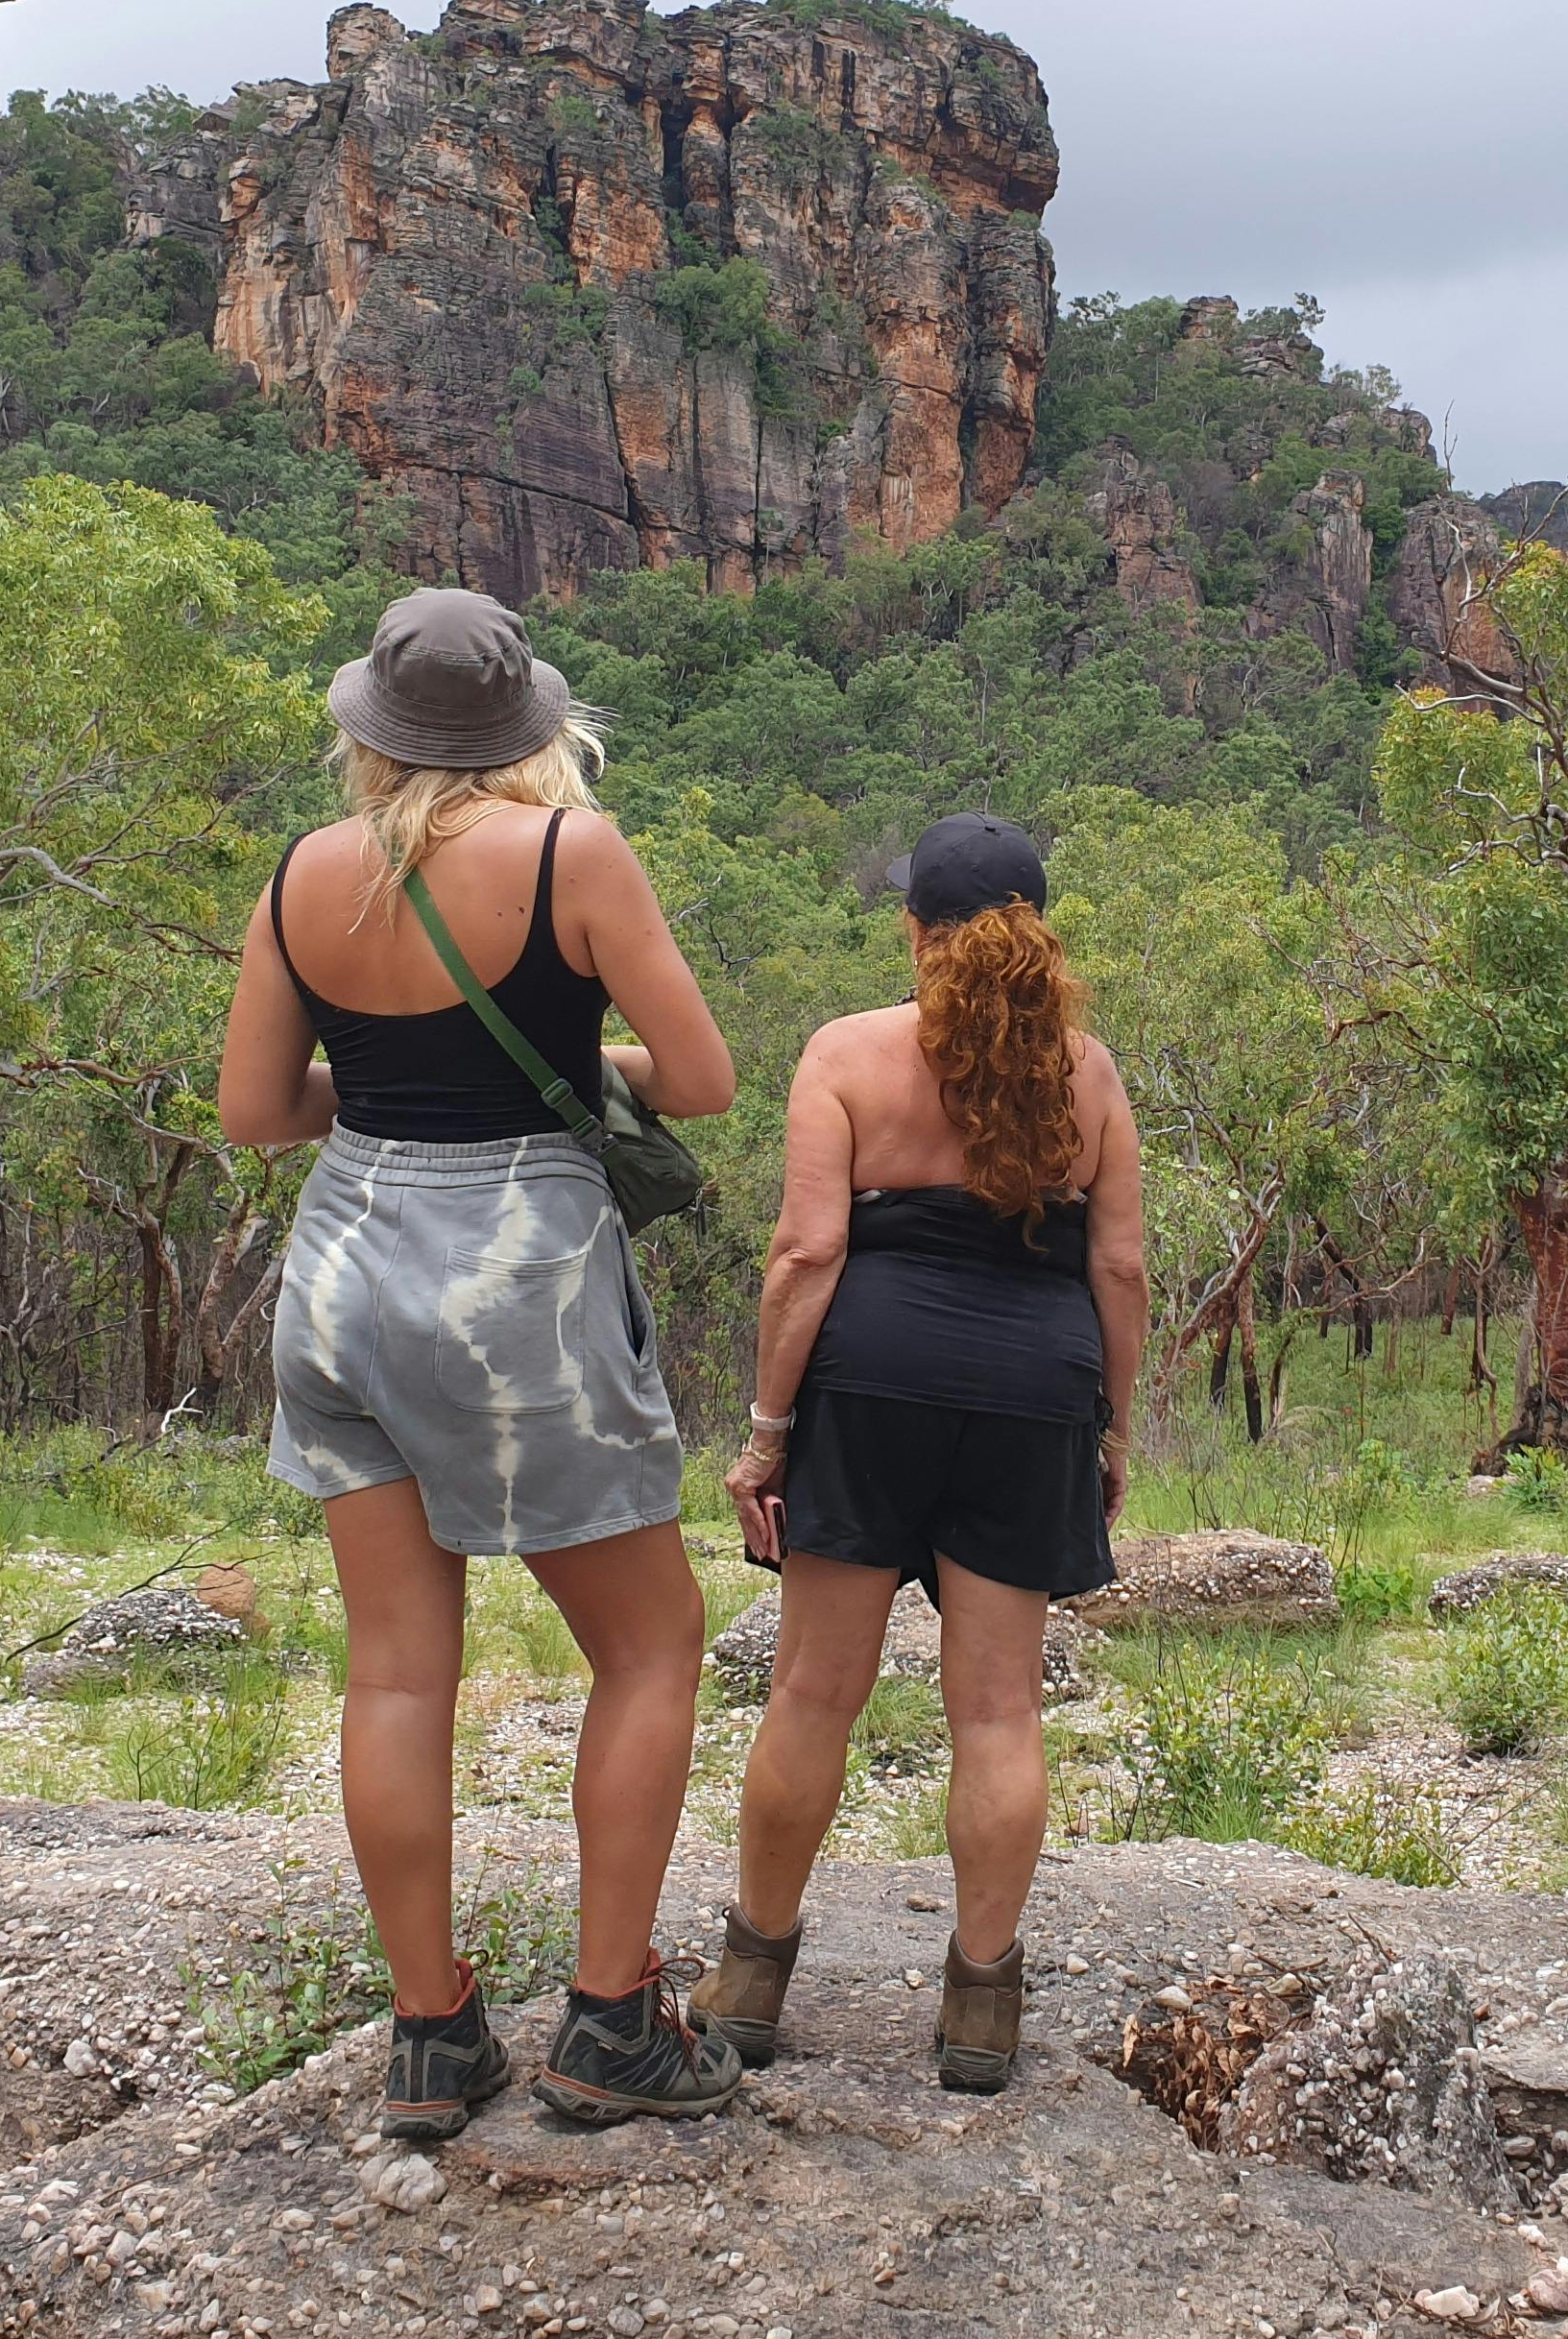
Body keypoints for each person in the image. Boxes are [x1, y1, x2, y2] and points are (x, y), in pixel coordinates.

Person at [218, 587, 742, 2135]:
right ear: (528, 730)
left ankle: (434, 2034)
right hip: (519, 1286)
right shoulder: (575, 857)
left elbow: (259, 1109)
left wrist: (386, 1091)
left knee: (393, 1669)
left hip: (342, 1277)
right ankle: (610, 2021)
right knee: (648, 1647)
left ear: (371, 734)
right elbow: (701, 1083)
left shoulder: (304, 876)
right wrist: (574, 1067)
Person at [703, 813, 1148, 2092]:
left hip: (869, 1389)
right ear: (1039, 935)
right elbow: (1116, 1266)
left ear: (915, 930)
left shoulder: (846, 1054)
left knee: (811, 1696)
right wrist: (1108, 1425)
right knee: (1000, 1711)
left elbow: (805, 1256)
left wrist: (768, 1433)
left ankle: (751, 1983)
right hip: (1033, 1394)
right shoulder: (1091, 1078)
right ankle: (979, 2013)